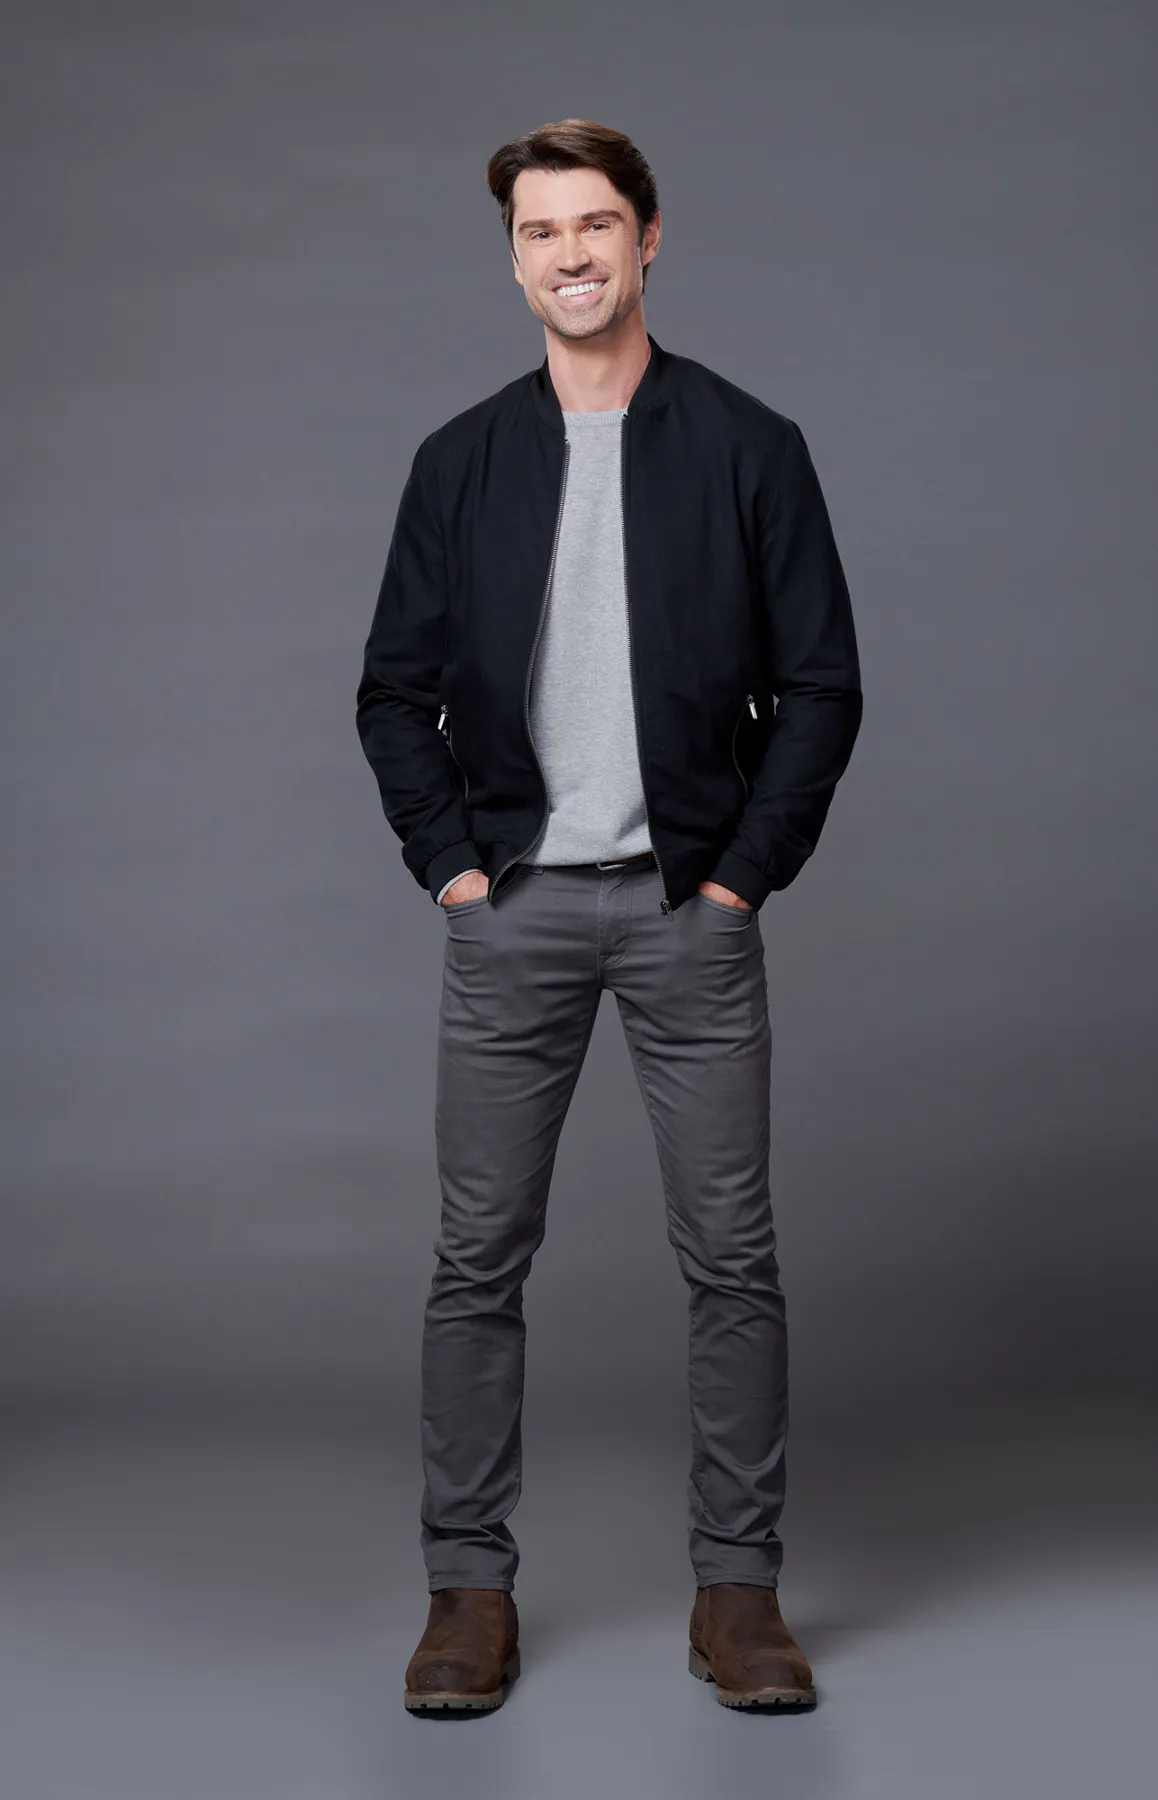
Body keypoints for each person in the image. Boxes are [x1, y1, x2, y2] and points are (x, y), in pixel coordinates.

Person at [355, 118, 863, 1713]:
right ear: (512, 260)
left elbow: (824, 686)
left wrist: (739, 874)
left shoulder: (748, 446)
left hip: (685, 910)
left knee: (733, 1260)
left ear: (649, 239)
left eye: (593, 225)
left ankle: (739, 1596)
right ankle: (467, 1595)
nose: (568, 254)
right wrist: (453, 864)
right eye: (538, 231)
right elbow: (392, 694)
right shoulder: (459, 461)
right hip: (510, 910)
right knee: (475, 1260)